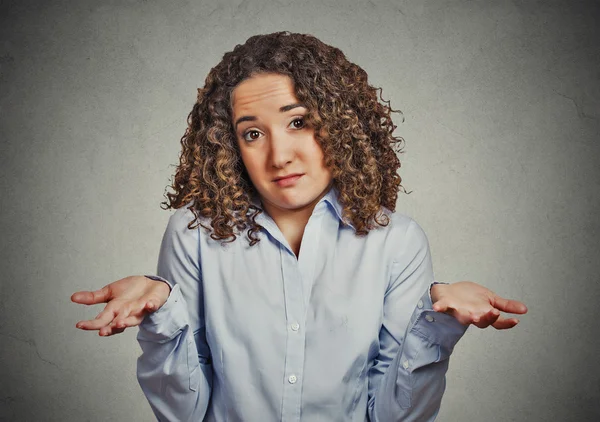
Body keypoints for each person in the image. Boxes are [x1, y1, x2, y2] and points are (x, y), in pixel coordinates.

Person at [71, 31, 527, 421]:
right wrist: (161, 315)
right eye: (253, 133)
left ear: (340, 124)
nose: (279, 154)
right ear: (230, 144)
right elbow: (184, 414)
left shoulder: (397, 242)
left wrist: (437, 327)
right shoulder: (193, 235)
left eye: (298, 122)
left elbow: (393, 416)